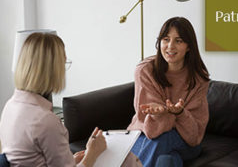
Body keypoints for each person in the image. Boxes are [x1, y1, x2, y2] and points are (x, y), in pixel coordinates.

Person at [0, 33, 106, 167]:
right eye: (63, 63)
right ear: (54, 69)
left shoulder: (10, 106)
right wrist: (92, 153)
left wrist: (71, 160)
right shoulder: (46, 121)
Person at [127, 17, 210, 167]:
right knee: (167, 160)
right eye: (166, 39)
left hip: (184, 142)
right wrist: (169, 114)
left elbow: (193, 136)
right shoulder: (145, 71)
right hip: (144, 136)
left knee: (164, 139)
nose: (170, 46)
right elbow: (152, 131)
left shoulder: (199, 79)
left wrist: (179, 113)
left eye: (178, 41)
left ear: (189, 46)